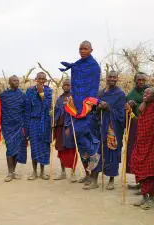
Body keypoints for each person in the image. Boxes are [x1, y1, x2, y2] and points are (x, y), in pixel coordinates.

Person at [59, 41, 101, 172]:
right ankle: (88, 158)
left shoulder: (94, 67)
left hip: (88, 105)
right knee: (75, 133)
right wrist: (72, 100)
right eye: (80, 49)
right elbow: (75, 86)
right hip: (76, 104)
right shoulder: (77, 65)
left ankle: (94, 152)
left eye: (85, 49)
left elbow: (93, 86)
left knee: (83, 131)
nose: (82, 51)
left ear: (91, 50)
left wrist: (90, 102)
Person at [86, 71, 126, 190]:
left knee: (112, 153)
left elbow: (121, 114)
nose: (112, 79)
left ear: (117, 78)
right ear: (106, 78)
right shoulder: (101, 93)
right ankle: (94, 180)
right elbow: (93, 111)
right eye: (110, 77)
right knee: (96, 152)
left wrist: (109, 109)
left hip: (112, 129)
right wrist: (98, 109)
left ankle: (111, 180)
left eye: (114, 77)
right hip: (99, 127)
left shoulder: (120, 94)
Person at [130, 88, 154, 210]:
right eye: (144, 93)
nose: (145, 95)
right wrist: (130, 112)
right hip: (140, 143)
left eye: (149, 94)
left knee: (149, 173)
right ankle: (144, 197)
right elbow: (139, 122)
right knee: (138, 167)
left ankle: (151, 200)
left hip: (151, 145)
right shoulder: (143, 108)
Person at [25, 72, 52, 180]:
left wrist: (41, 94)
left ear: (45, 80)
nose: (41, 80)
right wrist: (26, 125)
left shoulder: (48, 91)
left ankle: (42, 172)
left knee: (44, 147)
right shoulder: (30, 91)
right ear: (36, 79)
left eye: (43, 79)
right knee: (34, 147)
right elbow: (27, 108)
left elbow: (47, 106)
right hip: (33, 122)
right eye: (39, 78)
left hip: (45, 122)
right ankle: (34, 172)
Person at [0, 75, 27, 182]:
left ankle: (13, 171)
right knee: (10, 148)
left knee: (16, 149)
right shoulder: (3, 96)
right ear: (9, 82)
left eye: (17, 80)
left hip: (19, 125)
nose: (16, 82)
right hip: (7, 126)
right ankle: (9, 172)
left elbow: (25, 109)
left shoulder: (22, 95)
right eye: (14, 80)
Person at [125, 72, 149, 192]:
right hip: (134, 125)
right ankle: (139, 181)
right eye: (138, 80)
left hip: (147, 127)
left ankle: (145, 185)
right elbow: (127, 103)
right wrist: (130, 103)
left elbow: (153, 103)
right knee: (135, 153)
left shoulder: (150, 92)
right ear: (135, 80)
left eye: (143, 80)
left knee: (145, 154)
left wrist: (137, 103)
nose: (141, 82)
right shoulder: (131, 93)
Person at [53, 79, 77, 182]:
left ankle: (73, 173)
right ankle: (63, 172)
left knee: (71, 150)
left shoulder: (75, 97)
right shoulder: (59, 99)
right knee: (61, 150)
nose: (66, 86)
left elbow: (76, 112)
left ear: (71, 86)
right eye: (64, 84)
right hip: (60, 128)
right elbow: (56, 112)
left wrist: (69, 105)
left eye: (68, 84)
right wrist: (53, 122)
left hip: (70, 128)